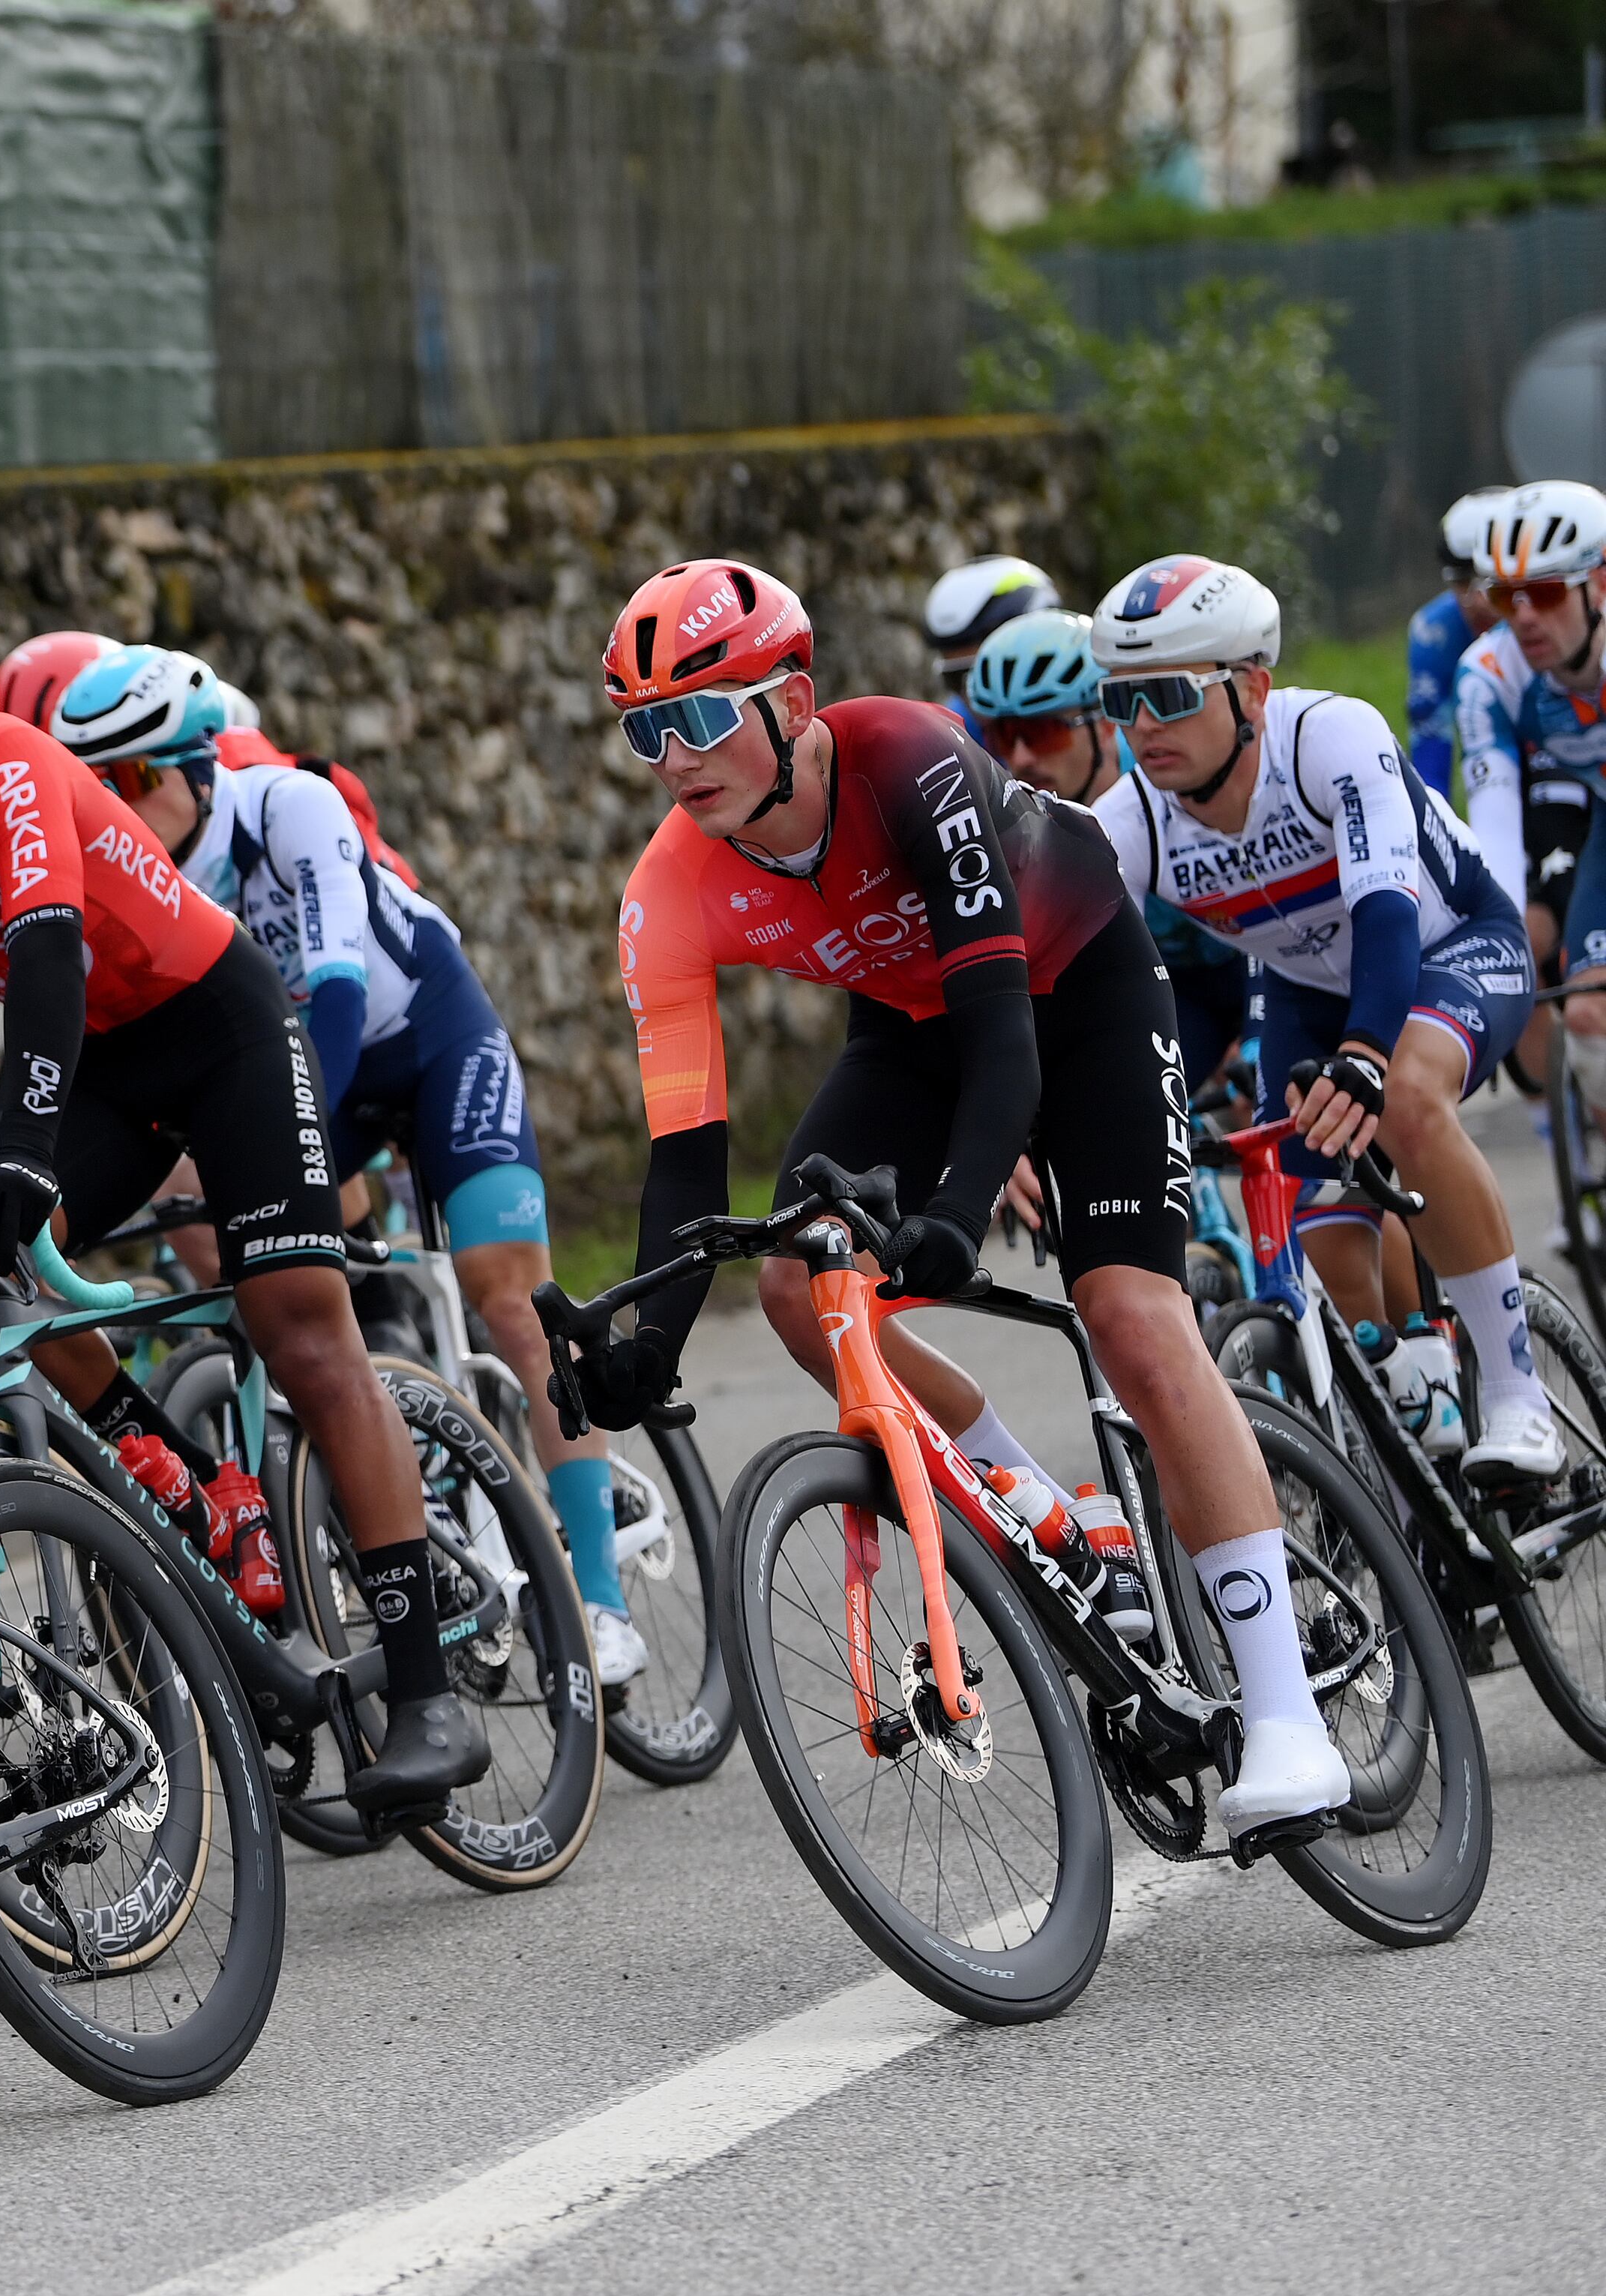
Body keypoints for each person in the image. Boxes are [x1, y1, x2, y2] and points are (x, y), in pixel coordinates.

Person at [576, 556, 1353, 1839]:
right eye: (646, 730)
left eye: (703, 716)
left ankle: (1286, 1716)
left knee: (1131, 1314)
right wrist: (647, 1345)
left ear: (793, 703)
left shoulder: (911, 758)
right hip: (914, 1028)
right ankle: (1048, 1514)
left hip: (1076, 987)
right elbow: (686, 1161)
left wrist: (956, 1204)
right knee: (797, 1283)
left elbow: (1009, 1045)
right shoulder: (666, 892)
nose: (676, 757)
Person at [0, 562, 490, 1809]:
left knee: (302, 1327)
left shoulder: (1, 763)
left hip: (221, 1027)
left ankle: (426, 1695)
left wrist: (23, 1145)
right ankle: (188, 1485)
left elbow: (49, 953)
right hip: (103, 1069)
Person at [48, 643, 651, 1689]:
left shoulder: (289, 809)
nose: (115, 806)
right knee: (250, 1268)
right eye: (92, 788)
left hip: (421, 1043)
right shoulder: (114, 873)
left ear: (197, 766)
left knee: (508, 1293)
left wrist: (278, 1149)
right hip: (292, 1069)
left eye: (134, 778)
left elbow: (333, 995)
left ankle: (599, 1602)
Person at [1090, 554, 1554, 1482]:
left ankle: (1517, 1396)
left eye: (1170, 695)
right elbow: (1082, 987)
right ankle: (1413, 1416)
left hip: (1449, 945)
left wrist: (1367, 1053)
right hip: (1303, 990)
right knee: (1311, 1216)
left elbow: (1384, 913)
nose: (1142, 727)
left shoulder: (1328, 739)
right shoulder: (1129, 819)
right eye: (1119, 701)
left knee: (1407, 1102)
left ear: (1251, 689)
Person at [966, 610, 1251, 1092]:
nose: (1020, 759)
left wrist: (1258, 1036)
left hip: (1260, 964)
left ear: (1103, 726)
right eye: (1003, 737)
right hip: (1175, 986)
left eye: (1044, 733)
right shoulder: (1019, 825)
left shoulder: (1174, 782)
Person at [1458, 482, 1606, 1108]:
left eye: (1544, 593)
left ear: (1599, 585)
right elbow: (1493, 822)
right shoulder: (1489, 675)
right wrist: (1504, 945)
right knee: (1588, 1019)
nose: (1522, 617)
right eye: (1505, 596)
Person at [1404, 487, 1512, 802]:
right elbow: (1430, 755)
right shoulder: (1434, 633)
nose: (1478, 600)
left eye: (1490, 578)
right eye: (1462, 582)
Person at [924, 555, 1059, 726]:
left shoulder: (1088, 712)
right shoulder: (956, 726)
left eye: (986, 676)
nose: (971, 697)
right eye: (954, 679)